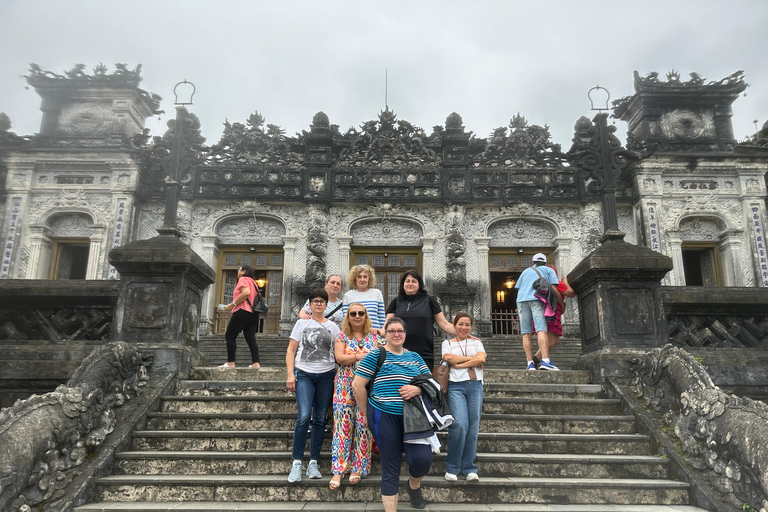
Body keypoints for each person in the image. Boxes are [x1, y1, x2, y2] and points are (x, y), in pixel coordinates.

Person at [352, 317, 433, 511]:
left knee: (423, 459)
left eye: (400, 331)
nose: (396, 334)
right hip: (383, 414)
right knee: (391, 465)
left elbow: (431, 384)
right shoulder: (376, 354)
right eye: (392, 331)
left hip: (414, 416)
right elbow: (357, 385)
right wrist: (365, 413)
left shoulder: (415, 357)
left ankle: (413, 485)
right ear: (385, 334)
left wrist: (417, 390)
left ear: (405, 334)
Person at [285, 288, 341, 483]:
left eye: (321, 301)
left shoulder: (333, 327)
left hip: (326, 374)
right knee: (303, 417)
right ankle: (297, 463)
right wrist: (291, 375)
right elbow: (291, 350)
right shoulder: (301, 323)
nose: (318, 304)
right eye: (314, 301)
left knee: (319, 419)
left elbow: (338, 353)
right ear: (309, 304)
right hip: (304, 374)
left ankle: (313, 462)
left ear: (326, 304)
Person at [328, 303, 380, 490]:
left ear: (366, 316)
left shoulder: (374, 336)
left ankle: (358, 466)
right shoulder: (342, 336)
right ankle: (339, 468)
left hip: (367, 385)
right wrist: (360, 356)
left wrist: (356, 355)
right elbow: (340, 358)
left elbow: (381, 355)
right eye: (353, 313)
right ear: (348, 317)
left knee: (363, 425)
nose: (357, 316)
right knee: (342, 426)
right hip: (344, 383)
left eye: (361, 313)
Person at [441, 312, 486, 482]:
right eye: (460, 324)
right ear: (454, 325)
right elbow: (448, 358)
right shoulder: (447, 343)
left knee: (473, 426)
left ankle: (469, 467)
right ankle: (452, 466)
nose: (464, 327)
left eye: (467, 324)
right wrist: (472, 360)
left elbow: (482, 358)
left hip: (475, 386)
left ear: (471, 327)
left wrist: (460, 363)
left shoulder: (477, 342)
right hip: (455, 386)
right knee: (459, 424)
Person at [386, 270, 455, 370]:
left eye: (414, 281)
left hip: (424, 354)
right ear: (403, 284)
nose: (410, 284)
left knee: (422, 384)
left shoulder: (430, 300)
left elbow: (444, 324)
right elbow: (387, 326)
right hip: (398, 352)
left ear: (419, 284)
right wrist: (375, 332)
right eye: (407, 281)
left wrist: (462, 332)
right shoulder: (396, 301)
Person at [514, 253, 561, 371]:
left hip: (521, 301)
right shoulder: (549, 270)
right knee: (541, 330)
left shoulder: (525, 271)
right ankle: (545, 361)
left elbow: (519, 288)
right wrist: (561, 303)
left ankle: (530, 363)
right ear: (545, 262)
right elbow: (554, 288)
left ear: (533, 262)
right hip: (536, 300)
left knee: (526, 333)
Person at [532, 265, 575, 368]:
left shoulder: (538, 283)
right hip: (552, 312)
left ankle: (536, 360)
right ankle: (538, 360)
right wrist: (565, 282)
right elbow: (571, 293)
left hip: (541, 311)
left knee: (550, 339)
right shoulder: (555, 283)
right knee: (553, 341)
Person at [220, 264, 261, 369]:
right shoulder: (254, 283)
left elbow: (246, 292)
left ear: (243, 271)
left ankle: (230, 362)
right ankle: (256, 363)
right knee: (250, 337)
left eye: (239, 269)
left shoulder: (243, 279)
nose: (237, 271)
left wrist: (232, 304)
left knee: (230, 335)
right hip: (253, 314)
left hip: (242, 311)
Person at [343, 265, 386, 329]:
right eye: (359, 277)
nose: (362, 279)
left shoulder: (377, 293)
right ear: (355, 279)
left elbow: (382, 318)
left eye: (365, 277)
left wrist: (382, 333)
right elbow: (346, 319)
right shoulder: (348, 295)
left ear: (369, 279)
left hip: (375, 335)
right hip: (355, 335)